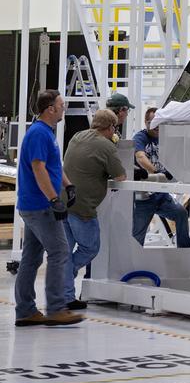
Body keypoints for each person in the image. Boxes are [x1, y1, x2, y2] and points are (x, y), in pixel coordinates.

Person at [14, 90, 83, 327]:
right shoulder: (38, 134)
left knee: (31, 259)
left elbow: (54, 165)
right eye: (61, 105)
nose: (64, 109)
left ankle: (25, 311)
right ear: (50, 109)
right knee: (60, 252)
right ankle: (56, 308)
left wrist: (68, 185)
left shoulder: (46, 133)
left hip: (35, 204)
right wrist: (54, 199)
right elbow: (38, 168)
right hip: (40, 206)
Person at [62, 107, 127, 308]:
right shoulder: (106, 146)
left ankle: (64, 295)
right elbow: (121, 176)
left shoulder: (77, 136)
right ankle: (66, 274)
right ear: (110, 127)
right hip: (83, 207)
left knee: (64, 251)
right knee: (90, 248)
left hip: (63, 202)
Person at [131, 106, 190, 248]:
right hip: (144, 196)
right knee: (137, 235)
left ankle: (184, 252)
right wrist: (157, 172)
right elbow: (140, 157)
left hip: (162, 195)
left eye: (160, 122)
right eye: (154, 122)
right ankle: (131, 261)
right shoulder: (140, 137)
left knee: (181, 213)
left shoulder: (166, 138)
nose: (158, 126)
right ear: (146, 123)